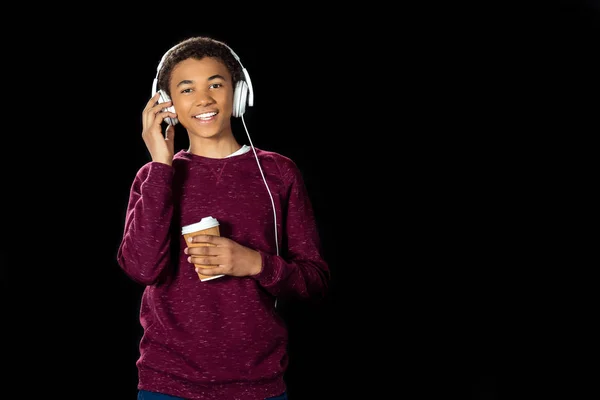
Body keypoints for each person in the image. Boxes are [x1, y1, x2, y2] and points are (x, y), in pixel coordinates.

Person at [116, 35, 330, 400]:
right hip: (166, 384)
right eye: (186, 89)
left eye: (216, 84)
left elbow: (314, 281)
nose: (204, 99)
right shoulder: (154, 176)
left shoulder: (278, 173)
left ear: (239, 92)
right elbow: (142, 269)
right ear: (167, 104)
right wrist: (160, 165)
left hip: (258, 384)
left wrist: (255, 263)